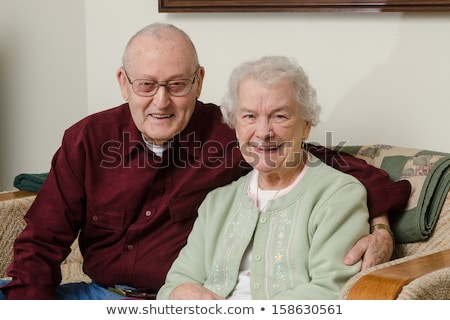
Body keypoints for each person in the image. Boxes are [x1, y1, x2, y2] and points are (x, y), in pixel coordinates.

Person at [0, 23, 410, 300]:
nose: (161, 102)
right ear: (124, 83)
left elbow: (340, 170)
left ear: (198, 80)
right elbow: (41, 242)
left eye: (177, 85)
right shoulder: (88, 140)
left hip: (174, 303)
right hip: (96, 296)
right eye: (146, 85)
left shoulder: (232, 132)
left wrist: (379, 229)